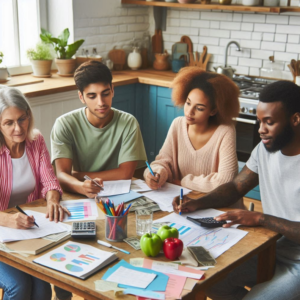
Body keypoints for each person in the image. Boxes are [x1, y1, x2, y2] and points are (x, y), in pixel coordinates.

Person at [172, 80, 300, 300]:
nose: (261, 130)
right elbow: (235, 187)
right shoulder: (264, 150)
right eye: (259, 121)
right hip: (269, 249)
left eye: (269, 122)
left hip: (297, 264)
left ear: (295, 119)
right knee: (210, 282)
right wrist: (198, 202)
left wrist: (260, 218)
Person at [0, 86, 71, 300]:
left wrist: (52, 199)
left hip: (27, 231)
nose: (18, 128)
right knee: (19, 287)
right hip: (4, 232)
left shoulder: (36, 141)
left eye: (22, 119)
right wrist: (9, 220)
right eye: (8, 123)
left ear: (28, 115)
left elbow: (49, 179)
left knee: (41, 289)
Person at [144, 67, 242, 207]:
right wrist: (156, 174)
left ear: (213, 111)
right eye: (188, 103)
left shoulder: (225, 131)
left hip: (219, 207)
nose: (189, 112)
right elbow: (162, 162)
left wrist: (184, 182)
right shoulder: (177, 124)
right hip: (185, 204)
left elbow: (225, 181)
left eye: (199, 108)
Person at [51, 61, 147, 198]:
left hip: (121, 196)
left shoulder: (128, 122)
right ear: (81, 97)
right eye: (92, 96)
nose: (101, 102)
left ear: (113, 90)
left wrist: (77, 175)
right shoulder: (64, 124)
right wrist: (81, 186)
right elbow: (61, 175)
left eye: (105, 94)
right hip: (79, 194)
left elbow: (126, 174)